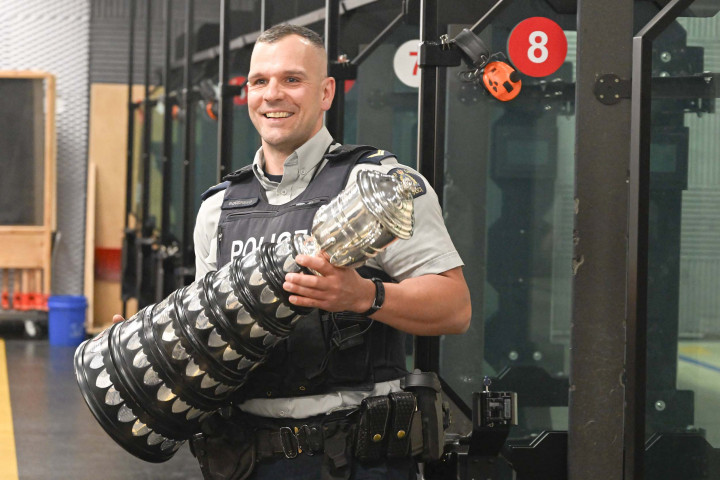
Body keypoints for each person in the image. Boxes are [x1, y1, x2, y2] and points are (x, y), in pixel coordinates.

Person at [118, 23, 471, 480]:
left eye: (291, 79)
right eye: (259, 81)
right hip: (243, 459)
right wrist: (154, 344)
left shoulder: (378, 189)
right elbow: (211, 335)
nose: (272, 95)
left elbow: (455, 307)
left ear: (326, 92)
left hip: (352, 460)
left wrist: (364, 296)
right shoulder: (219, 207)